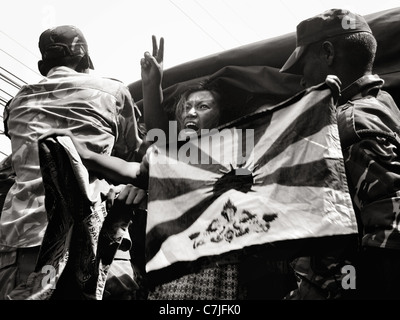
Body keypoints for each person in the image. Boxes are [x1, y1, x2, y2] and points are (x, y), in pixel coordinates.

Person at [0, 25, 143, 300]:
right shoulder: (113, 93)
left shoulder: (16, 102)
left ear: (43, 65)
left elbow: (22, 156)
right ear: (85, 59)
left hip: (22, 240)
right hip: (95, 238)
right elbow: (131, 154)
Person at [280, 8, 400, 299]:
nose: (301, 81)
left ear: (327, 52)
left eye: (304, 65)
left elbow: (391, 232)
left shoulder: (352, 122)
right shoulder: (384, 106)